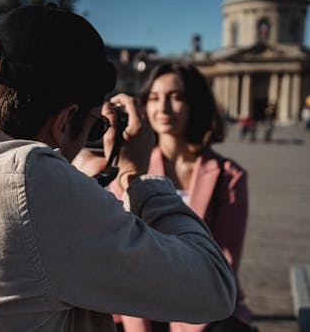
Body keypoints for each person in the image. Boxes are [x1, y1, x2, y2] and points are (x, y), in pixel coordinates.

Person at [0, 6, 236, 331]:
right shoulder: (34, 182)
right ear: (64, 122)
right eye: (93, 126)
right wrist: (139, 175)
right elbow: (213, 288)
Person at [107, 63, 253, 332]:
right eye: (153, 98)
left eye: (176, 97)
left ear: (195, 104)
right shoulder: (130, 166)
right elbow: (118, 254)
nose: (162, 108)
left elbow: (225, 265)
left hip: (203, 307)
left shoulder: (229, 176)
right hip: (137, 305)